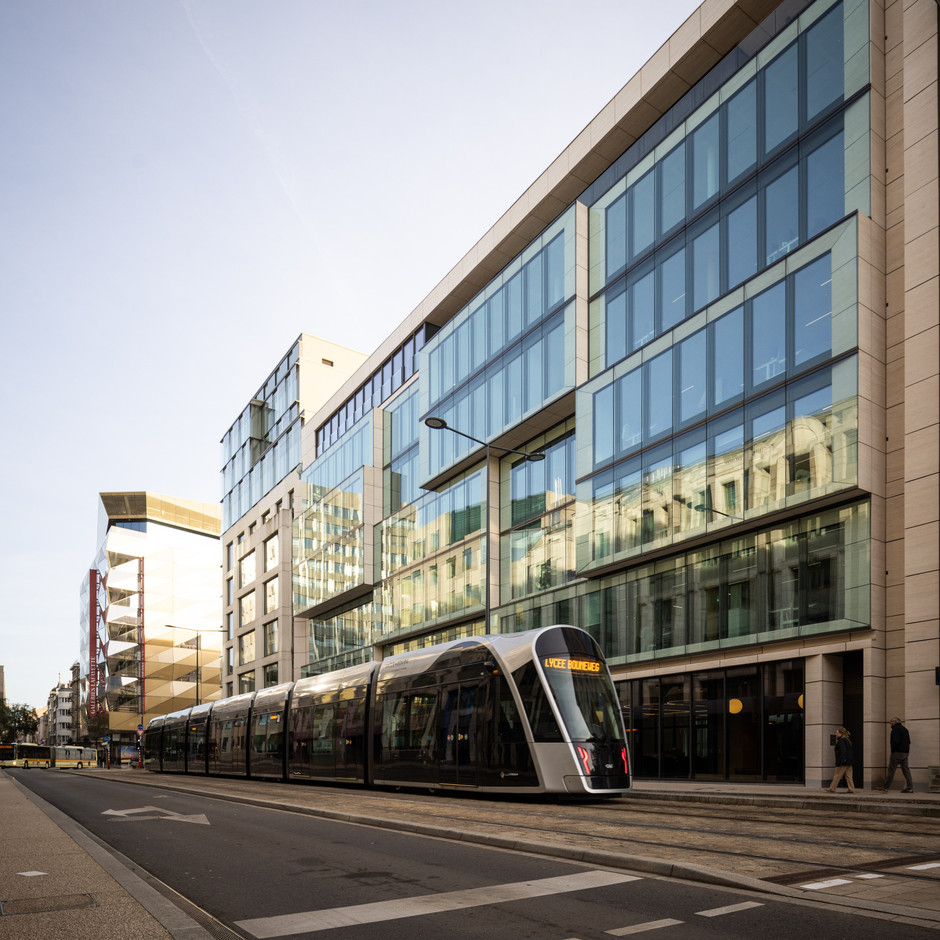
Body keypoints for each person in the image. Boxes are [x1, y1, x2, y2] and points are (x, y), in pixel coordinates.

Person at [876, 717, 913, 793]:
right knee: (906, 771)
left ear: (896, 722)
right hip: (905, 753)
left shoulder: (895, 729)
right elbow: (909, 741)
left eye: (891, 721)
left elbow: (895, 741)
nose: (890, 722)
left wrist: (893, 750)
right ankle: (910, 788)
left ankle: (885, 787)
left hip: (897, 753)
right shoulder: (905, 729)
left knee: (891, 770)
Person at [827, 727, 855, 793]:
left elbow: (843, 751)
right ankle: (851, 789)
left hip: (842, 762)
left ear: (841, 733)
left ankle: (832, 788)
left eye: (837, 732)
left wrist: (842, 760)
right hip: (849, 762)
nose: (836, 734)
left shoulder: (841, 741)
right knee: (849, 776)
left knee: (837, 775)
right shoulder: (847, 740)